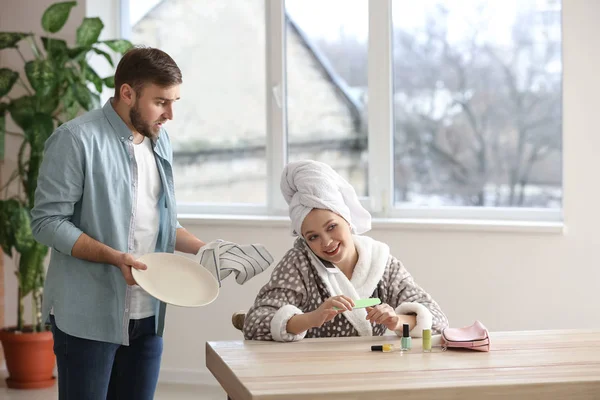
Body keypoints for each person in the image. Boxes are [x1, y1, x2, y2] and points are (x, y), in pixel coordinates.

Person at [30, 47, 206, 400]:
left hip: (149, 312)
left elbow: (158, 222)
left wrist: (208, 249)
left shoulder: (160, 141)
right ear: (127, 93)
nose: (170, 114)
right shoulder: (76, 139)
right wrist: (114, 257)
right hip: (88, 316)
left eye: (174, 102)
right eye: (161, 102)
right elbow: (47, 222)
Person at [243, 160, 448, 342]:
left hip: (372, 367)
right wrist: (311, 318)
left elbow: (438, 320)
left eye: (332, 227)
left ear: (347, 219)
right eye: (313, 237)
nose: (327, 242)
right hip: (311, 370)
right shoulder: (299, 262)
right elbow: (254, 323)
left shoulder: (381, 262)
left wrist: (396, 321)